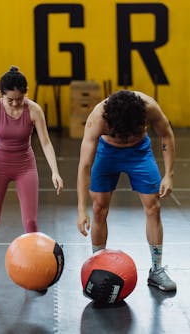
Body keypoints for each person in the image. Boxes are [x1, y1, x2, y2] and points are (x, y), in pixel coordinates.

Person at [0, 66, 63, 291]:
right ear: (1, 95)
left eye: (20, 99)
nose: (17, 103)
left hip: (25, 166)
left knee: (30, 222)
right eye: (11, 100)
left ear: (25, 94)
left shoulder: (34, 110)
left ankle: (35, 273)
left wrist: (54, 171)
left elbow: (46, 143)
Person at [77, 90, 176, 292]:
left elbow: (166, 134)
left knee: (153, 207)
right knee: (98, 209)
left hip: (139, 153)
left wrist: (169, 174)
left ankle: (156, 270)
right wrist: (80, 209)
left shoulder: (149, 107)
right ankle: (98, 265)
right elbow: (85, 166)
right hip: (107, 154)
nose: (124, 137)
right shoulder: (98, 117)